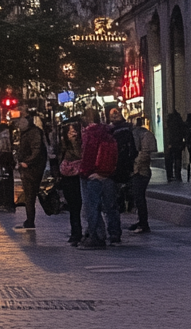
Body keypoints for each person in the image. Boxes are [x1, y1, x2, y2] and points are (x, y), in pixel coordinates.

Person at [79, 107, 120, 248]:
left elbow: (88, 156)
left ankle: (96, 236)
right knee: (110, 206)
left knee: (92, 207)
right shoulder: (108, 133)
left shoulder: (89, 134)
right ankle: (114, 233)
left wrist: (85, 172)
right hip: (108, 174)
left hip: (92, 174)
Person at [15, 114, 48, 231]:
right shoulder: (29, 132)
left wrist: (27, 162)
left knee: (30, 195)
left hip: (32, 169)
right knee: (29, 195)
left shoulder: (33, 133)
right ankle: (29, 219)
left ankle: (30, 220)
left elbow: (36, 149)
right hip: (29, 167)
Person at [128, 116, 157, 233]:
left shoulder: (144, 135)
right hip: (138, 169)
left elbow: (145, 154)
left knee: (139, 197)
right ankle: (141, 221)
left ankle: (144, 223)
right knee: (138, 197)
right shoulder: (139, 133)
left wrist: (135, 167)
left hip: (141, 171)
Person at [58, 120, 83, 245]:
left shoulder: (80, 144)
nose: (72, 134)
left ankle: (80, 232)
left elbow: (79, 155)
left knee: (79, 206)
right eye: (70, 132)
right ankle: (75, 232)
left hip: (78, 177)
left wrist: (74, 143)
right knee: (73, 207)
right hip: (67, 179)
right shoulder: (63, 145)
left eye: (74, 131)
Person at [107, 106, 137, 213]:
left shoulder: (114, 130)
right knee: (123, 182)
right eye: (112, 115)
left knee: (123, 182)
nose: (115, 117)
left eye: (116, 114)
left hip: (121, 159)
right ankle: (126, 202)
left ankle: (125, 202)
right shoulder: (113, 129)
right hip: (120, 160)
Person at [164, 111, 186, 182]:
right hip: (178, 144)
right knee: (178, 159)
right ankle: (178, 175)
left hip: (172, 144)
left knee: (169, 160)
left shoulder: (170, 126)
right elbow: (183, 134)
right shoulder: (180, 125)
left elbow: (168, 136)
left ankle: (170, 176)